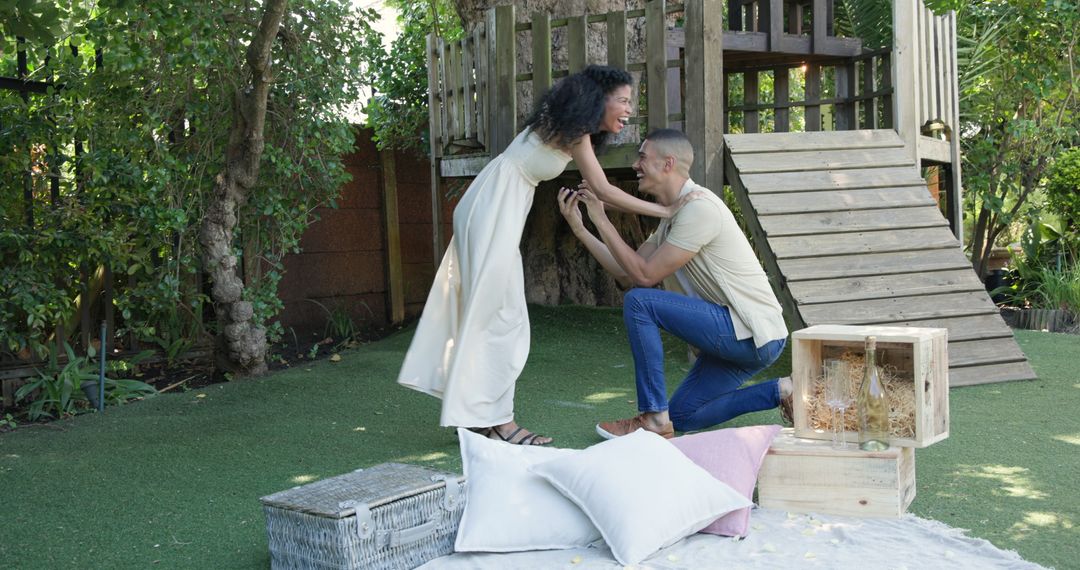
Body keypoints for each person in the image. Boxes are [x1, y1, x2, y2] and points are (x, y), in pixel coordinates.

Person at [398, 66, 686, 446]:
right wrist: (668, 210)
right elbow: (604, 189)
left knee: (496, 314)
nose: (630, 108)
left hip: (495, 205)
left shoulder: (568, 128)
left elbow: (597, 191)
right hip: (494, 207)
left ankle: (478, 416)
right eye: (624, 100)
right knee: (504, 318)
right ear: (598, 99)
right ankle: (497, 421)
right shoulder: (573, 130)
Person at [557, 128, 791, 439]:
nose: (635, 165)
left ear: (668, 164)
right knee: (684, 416)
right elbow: (626, 274)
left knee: (641, 302)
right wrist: (583, 229)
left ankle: (653, 416)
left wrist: (602, 219)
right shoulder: (673, 217)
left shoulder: (699, 210)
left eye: (642, 157)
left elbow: (644, 277)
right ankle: (783, 389)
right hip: (752, 337)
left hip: (750, 332)